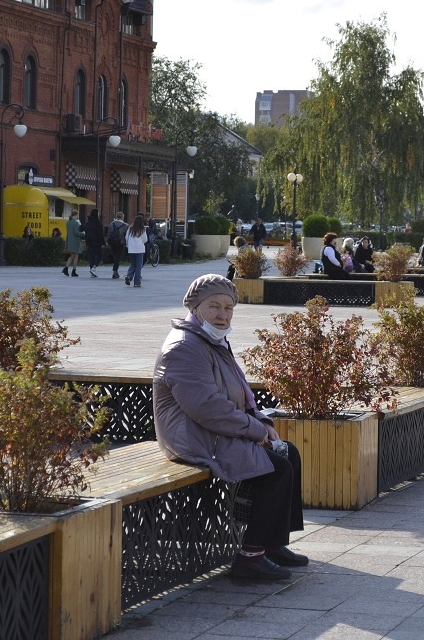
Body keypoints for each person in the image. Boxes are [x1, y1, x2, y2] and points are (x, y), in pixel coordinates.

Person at [153, 274, 306, 580]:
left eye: (229, 308)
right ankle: (250, 558)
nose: (223, 315)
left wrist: (260, 420)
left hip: (213, 430)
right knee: (275, 469)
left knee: (288, 453)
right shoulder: (184, 346)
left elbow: (238, 390)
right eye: (214, 307)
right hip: (192, 437)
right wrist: (254, 430)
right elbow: (206, 407)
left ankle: (271, 544)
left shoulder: (211, 339)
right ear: (195, 308)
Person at [123, 215, 148, 287]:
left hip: (131, 249)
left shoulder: (130, 228)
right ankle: (137, 282)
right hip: (139, 249)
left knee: (133, 264)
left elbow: (126, 237)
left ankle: (129, 276)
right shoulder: (142, 229)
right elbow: (145, 240)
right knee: (138, 266)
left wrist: (128, 245)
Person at [62, 210, 84, 277]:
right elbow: (76, 233)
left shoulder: (68, 222)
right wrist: (83, 234)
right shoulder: (75, 223)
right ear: (76, 215)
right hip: (75, 241)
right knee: (76, 256)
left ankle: (66, 268)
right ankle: (74, 271)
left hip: (70, 240)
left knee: (71, 256)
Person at [106, 212, 128, 279]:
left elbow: (108, 234)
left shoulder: (111, 224)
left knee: (115, 255)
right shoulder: (125, 225)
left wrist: (108, 242)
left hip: (112, 242)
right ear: (122, 217)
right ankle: (115, 271)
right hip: (120, 243)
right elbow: (126, 236)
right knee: (117, 257)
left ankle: (116, 271)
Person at [85, 209, 105, 277]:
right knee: (99, 255)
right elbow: (100, 233)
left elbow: (85, 231)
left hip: (89, 241)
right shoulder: (98, 223)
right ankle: (94, 267)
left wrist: (87, 241)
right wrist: (103, 243)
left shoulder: (88, 222)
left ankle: (91, 269)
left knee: (92, 256)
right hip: (97, 241)